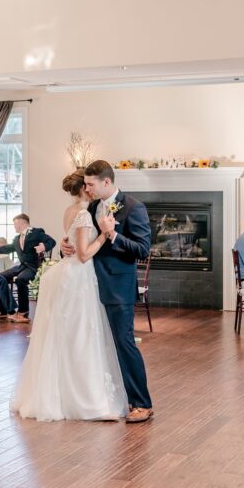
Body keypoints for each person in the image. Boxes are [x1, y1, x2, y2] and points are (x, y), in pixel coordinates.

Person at [11, 170, 128, 422]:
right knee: (81, 335)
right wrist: (105, 235)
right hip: (79, 276)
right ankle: (86, 399)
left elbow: (70, 241)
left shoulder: (69, 210)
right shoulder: (85, 214)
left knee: (66, 335)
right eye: (89, 185)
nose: (92, 188)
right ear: (86, 189)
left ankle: (61, 394)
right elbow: (84, 254)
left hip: (68, 274)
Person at [67, 160, 154, 423]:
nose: (87, 188)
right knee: (98, 343)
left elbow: (142, 249)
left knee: (124, 342)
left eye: (91, 184)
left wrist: (113, 235)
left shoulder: (134, 207)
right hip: (91, 284)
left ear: (107, 182)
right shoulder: (92, 207)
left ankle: (142, 403)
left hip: (118, 285)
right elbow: (88, 241)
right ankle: (107, 399)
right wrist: (68, 244)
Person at [0, 213, 56, 323]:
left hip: (33, 267)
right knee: (0, 277)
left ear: (23, 223)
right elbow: (8, 248)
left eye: (15, 224)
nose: (14, 227)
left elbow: (52, 241)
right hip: (21, 266)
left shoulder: (36, 233)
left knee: (21, 279)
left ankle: (23, 311)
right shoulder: (17, 239)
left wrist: (43, 247)